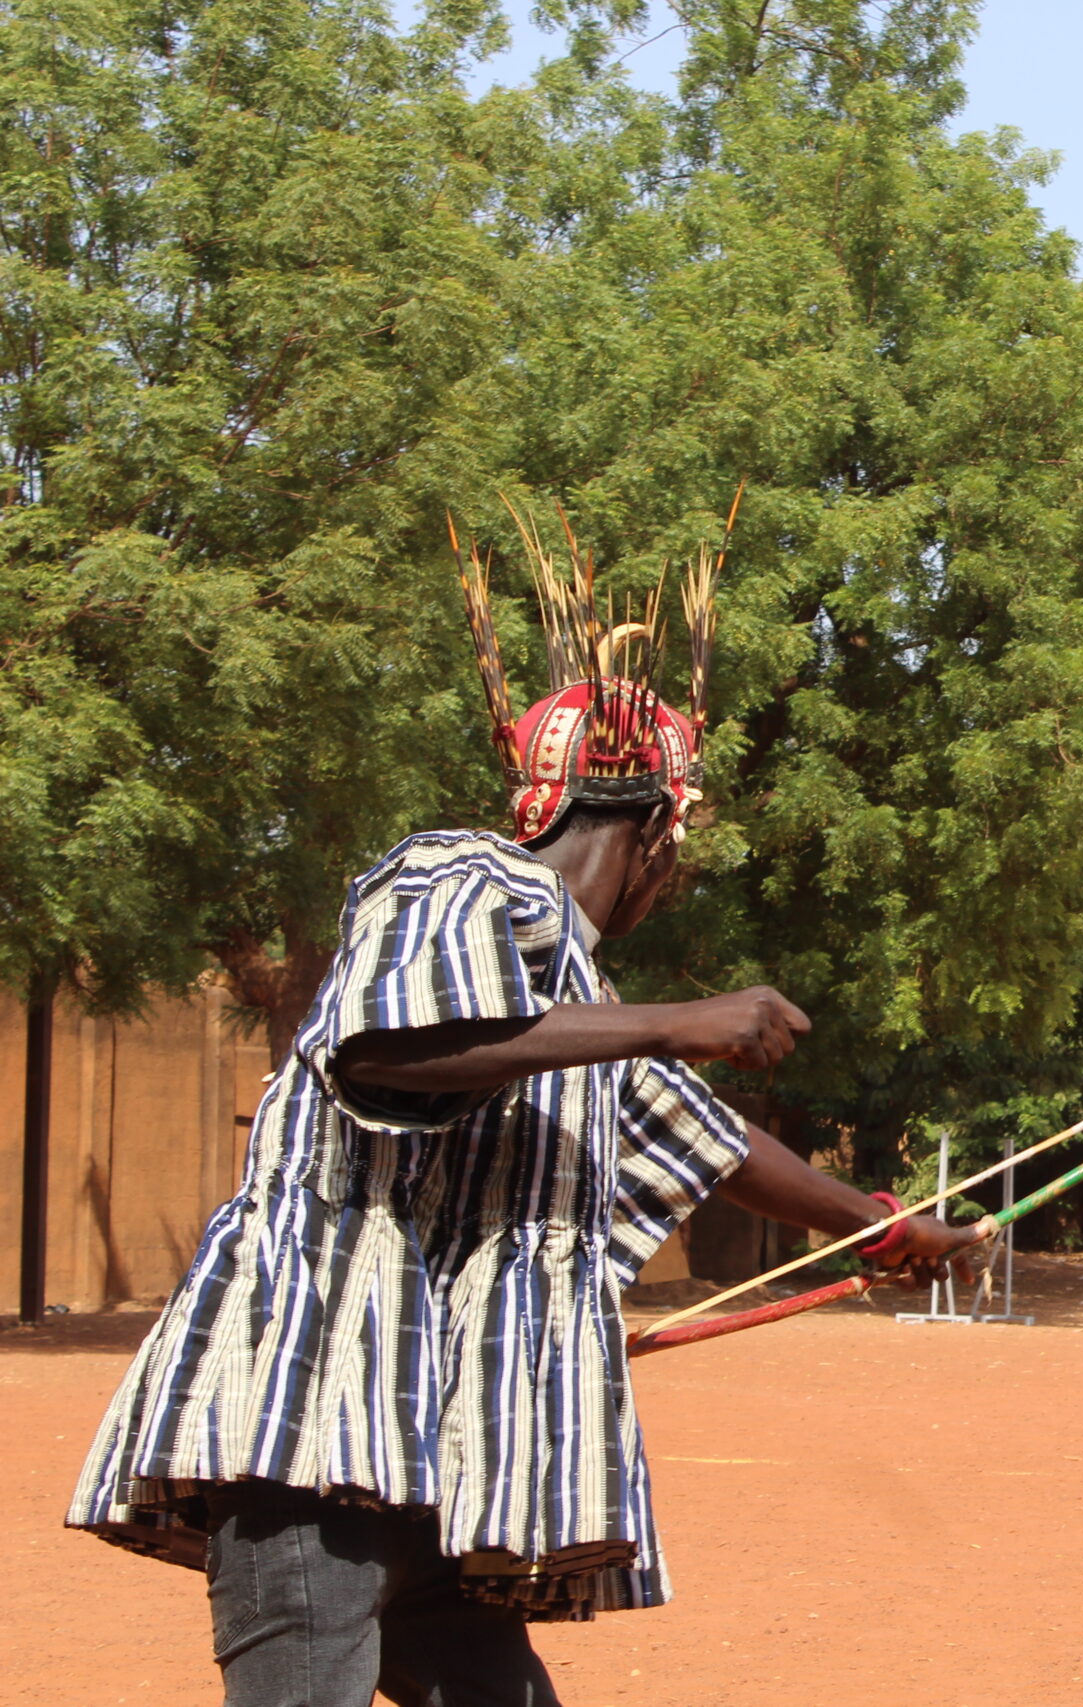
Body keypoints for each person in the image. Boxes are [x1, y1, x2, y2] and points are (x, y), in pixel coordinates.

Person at [66, 513, 977, 1705]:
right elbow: (393, 1053)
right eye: (678, 856)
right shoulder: (458, 877)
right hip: (312, 1432)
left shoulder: (578, 1002)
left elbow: (715, 1147)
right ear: (656, 830)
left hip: (435, 1459)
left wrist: (890, 1232)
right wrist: (677, 1015)